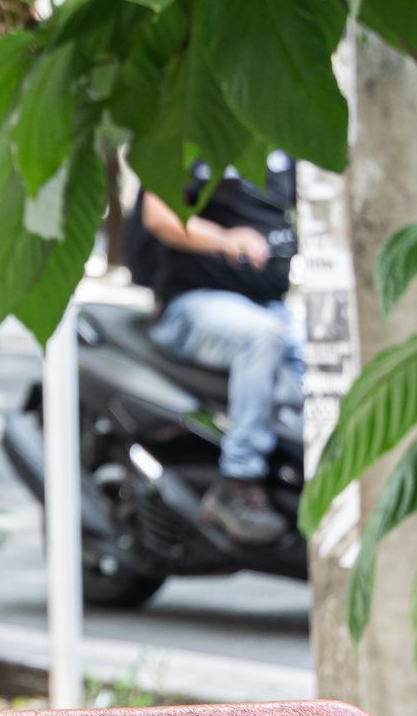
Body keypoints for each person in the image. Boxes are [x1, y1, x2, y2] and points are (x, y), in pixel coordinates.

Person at [128, 155, 302, 546]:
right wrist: (224, 240)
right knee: (262, 336)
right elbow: (159, 216)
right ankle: (238, 479)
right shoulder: (190, 141)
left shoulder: (282, 150)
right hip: (192, 307)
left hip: (270, 306)